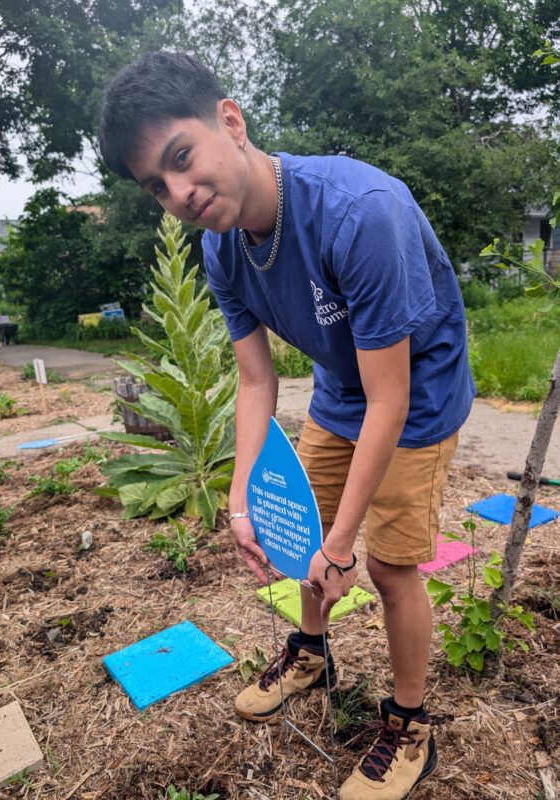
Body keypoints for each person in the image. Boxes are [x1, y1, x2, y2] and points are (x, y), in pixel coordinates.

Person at [98, 50, 476, 800]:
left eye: (182, 158)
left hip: (417, 395)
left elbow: (391, 400)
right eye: (156, 186)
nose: (179, 192)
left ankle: (410, 724)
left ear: (229, 122)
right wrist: (241, 501)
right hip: (344, 388)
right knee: (300, 529)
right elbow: (255, 380)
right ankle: (312, 653)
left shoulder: (359, 211)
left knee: (386, 565)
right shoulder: (221, 249)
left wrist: (344, 547)